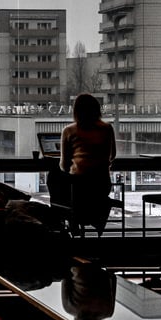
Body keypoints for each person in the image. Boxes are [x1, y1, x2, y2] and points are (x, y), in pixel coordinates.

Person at [56, 93, 117, 234]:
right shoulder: (107, 129)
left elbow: (64, 165)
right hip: (102, 185)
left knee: (54, 178)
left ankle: (67, 220)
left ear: (76, 111)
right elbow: (112, 155)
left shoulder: (69, 131)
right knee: (87, 192)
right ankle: (93, 217)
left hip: (79, 188)